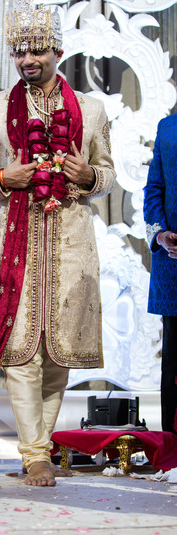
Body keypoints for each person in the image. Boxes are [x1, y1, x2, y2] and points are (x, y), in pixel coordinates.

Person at [0, 0, 115, 487]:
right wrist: (5, 178)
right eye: (18, 51)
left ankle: (41, 445)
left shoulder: (90, 111)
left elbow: (108, 173)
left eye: (36, 50)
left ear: (58, 52)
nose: (26, 59)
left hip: (71, 242)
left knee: (58, 352)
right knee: (21, 348)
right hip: (14, 241)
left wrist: (89, 176)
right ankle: (33, 454)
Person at [143, 114, 177, 435]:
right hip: (174, 262)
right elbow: (154, 188)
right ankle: (172, 447)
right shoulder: (167, 127)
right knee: (173, 364)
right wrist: (160, 234)